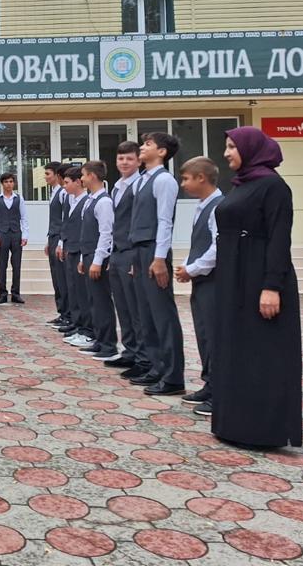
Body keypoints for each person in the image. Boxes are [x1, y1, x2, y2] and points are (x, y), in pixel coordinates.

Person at [211, 127, 301, 448]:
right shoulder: (241, 184)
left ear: (251, 149)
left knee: (260, 353)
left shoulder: (273, 186)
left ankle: (261, 430)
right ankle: (232, 423)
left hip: (258, 278)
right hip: (233, 278)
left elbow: (279, 238)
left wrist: (272, 286)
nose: (227, 153)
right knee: (235, 349)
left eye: (232, 147)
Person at [128, 132, 185, 397]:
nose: (142, 147)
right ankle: (155, 366)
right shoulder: (142, 180)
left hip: (153, 250)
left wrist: (160, 257)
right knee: (146, 314)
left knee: (162, 314)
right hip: (139, 250)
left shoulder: (163, 180)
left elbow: (165, 220)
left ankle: (173, 376)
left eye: (148, 144)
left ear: (162, 152)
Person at [175, 156, 223, 417]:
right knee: (204, 333)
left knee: (214, 335)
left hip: (214, 282)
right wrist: (187, 265)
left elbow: (217, 247)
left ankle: (219, 391)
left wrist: (193, 269)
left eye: (186, 179)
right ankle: (209, 383)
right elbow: (200, 244)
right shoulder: (202, 205)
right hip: (202, 281)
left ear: (201, 178)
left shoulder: (218, 207)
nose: (183, 184)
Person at [107, 141, 156, 379]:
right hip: (117, 251)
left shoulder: (140, 185)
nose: (124, 163)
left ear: (138, 161)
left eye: (129, 159)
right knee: (123, 306)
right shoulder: (116, 187)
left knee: (137, 309)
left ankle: (143, 358)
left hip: (131, 252)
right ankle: (129, 350)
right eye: (121, 158)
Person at [77, 161, 119, 361]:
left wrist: (98, 260)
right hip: (88, 255)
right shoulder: (90, 200)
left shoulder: (103, 202)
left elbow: (106, 233)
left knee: (102, 301)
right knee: (93, 301)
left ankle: (108, 344)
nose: (81, 179)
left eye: (83, 175)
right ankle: (99, 340)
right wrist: (83, 258)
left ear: (92, 176)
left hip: (97, 258)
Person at [57, 167, 93, 348]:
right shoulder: (73, 200)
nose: (64, 186)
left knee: (82, 293)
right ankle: (78, 325)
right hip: (71, 248)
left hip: (80, 250)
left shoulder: (86, 201)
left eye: (67, 182)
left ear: (77, 182)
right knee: (74, 290)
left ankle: (87, 329)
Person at [0, 172, 29, 304]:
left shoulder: (19, 199)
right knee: (2, 264)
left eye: (11, 181)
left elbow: (24, 217)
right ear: (2, 184)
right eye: (6, 182)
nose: (9, 184)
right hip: (2, 234)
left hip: (16, 234)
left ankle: (16, 293)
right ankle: (3, 293)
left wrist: (25, 235)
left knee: (16, 265)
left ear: (14, 183)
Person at [44, 162, 69, 325]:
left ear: (56, 175)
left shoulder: (63, 193)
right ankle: (62, 312)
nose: (45, 177)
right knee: (56, 277)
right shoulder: (54, 192)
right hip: (53, 236)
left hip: (60, 238)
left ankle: (67, 314)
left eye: (48, 174)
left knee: (62, 277)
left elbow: (65, 219)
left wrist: (61, 241)